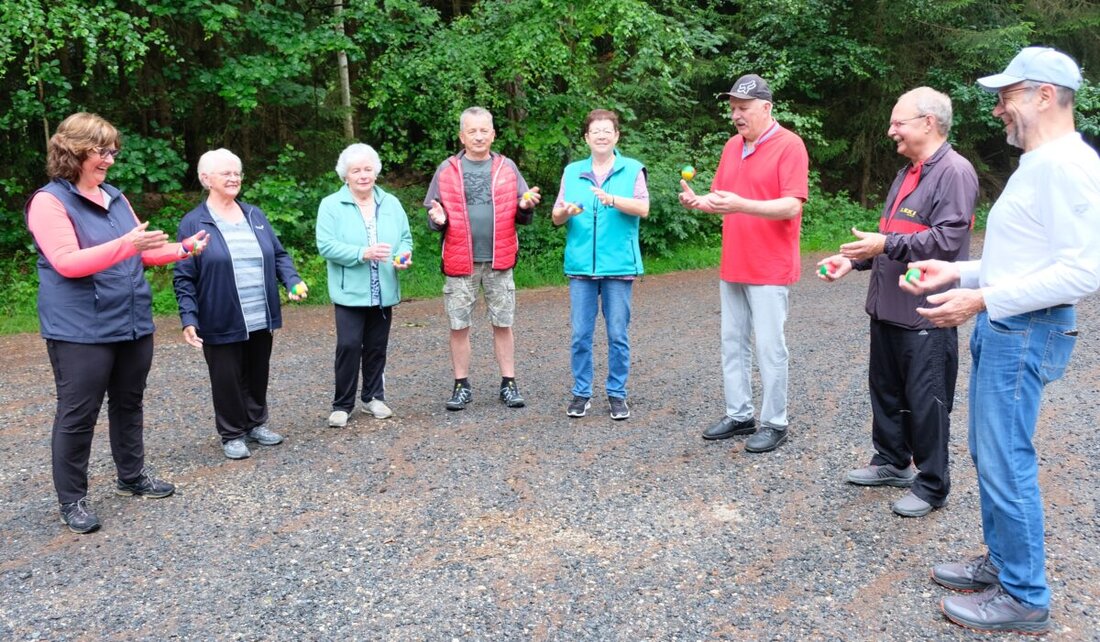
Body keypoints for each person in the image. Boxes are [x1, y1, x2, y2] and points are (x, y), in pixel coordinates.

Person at [900, 48, 1099, 634]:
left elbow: (1084, 271)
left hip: (1026, 329)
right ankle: (1003, 563)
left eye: (1007, 96)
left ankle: (1024, 595)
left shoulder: (1067, 166)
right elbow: (1022, 260)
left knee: (1006, 457)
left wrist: (981, 299)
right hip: (1011, 323)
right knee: (991, 454)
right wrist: (957, 272)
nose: (997, 109)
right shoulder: (1039, 163)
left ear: (1045, 95)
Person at [25, 112, 198, 534]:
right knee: (78, 414)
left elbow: (141, 252)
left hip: (132, 321)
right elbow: (67, 262)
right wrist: (126, 243)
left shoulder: (115, 197)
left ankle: (131, 476)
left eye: (112, 151)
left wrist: (183, 249)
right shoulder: (49, 201)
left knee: (129, 402)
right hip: (80, 329)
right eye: (101, 151)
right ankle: (72, 500)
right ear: (73, 151)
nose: (109, 160)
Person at [817, 87, 977, 517]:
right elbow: (892, 239)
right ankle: (891, 461)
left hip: (926, 312)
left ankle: (932, 485)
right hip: (887, 308)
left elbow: (946, 241)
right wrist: (855, 261)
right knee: (886, 392)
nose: (891, 131)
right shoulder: (907, 172)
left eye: (898, 123)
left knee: (927, 402)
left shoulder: (955, 172)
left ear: (928, 122)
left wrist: (884, 244)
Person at [679, 74, 809, 453]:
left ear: (766, 108)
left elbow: (791, 205)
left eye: (744, 108)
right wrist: (699, 202)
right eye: (733, 108)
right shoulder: (732, 146)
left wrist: (741, 204)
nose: (736, 115)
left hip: (770, 266)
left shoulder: (790, 145)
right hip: (734, 261)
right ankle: (740, 415)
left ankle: (775, 422)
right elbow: (722, 199)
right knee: (732, 343)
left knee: (770, 346)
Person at [173, 148, 306, 460]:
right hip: (219, 316)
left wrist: (292, 280)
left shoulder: (254, 215)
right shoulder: (194, 222)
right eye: (226, 173)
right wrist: (189, 318)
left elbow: (279, 255)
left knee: (258, 371)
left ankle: (255, 423)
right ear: (206, 179)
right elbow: (184, 276)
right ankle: (232, 433)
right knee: (226, 378)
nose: (234, 178)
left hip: (260, 312)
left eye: (237, 173)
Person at [424, 106, 539, 411]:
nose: (478, 136)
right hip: (460, 261)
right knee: (459, 325)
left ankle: (509, 384)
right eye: (472, 131)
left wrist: (526, 207)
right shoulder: (446, 169)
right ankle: (461, 385)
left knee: (503, 322)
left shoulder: (507, 167)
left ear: (493, 134)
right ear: (462, 136)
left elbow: (523, 210)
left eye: (483, 130)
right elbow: (433, 215)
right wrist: (437, 219)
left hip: (500, 260)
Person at [551, 109, 649, 420]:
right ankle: (581, 393)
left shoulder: (632, 169)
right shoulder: (572, 171)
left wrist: (612, 200)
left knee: (617, 334)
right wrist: (565, 211)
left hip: (618, 266)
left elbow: (643, 208)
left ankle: (617, 394)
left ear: (616, 136)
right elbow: (556, 216)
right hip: (580, 266)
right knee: (580, 334)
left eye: (608, 130)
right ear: (587, 138)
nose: (602, 136)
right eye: (596, 131)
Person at [317, 143, 413, 428]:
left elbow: (405, 239)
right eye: (356, 170)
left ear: (376, 172)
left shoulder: (391, 203)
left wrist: (402, 256)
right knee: (348, 346)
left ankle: (373, 397)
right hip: (349, 292)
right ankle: (342, 405)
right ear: (345, 175)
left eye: (368, 169)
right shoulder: (331, 205)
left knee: (376, 346)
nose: (363, 175)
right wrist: (363, 253)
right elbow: (326, 245)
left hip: (383, 289)